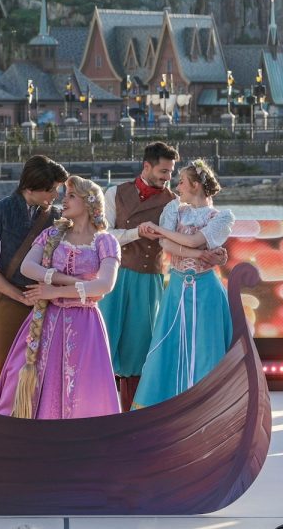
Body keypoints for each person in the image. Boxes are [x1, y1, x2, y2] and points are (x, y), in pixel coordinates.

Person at [0, 175, 121, 419]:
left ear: (89, 202)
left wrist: (55, 291)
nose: (64, 200)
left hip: (84, 323)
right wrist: (70, 281)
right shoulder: (52, 234)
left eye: (71, 195)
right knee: (28, 377)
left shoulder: (105, 241)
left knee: (81, 384)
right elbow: (28, 267)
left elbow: (105, 284)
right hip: (46, 320)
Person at [133, 160, 235, 408]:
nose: (177, 186)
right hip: (178, 286)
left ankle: (207, 406)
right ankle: (165, 404)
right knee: (168, 345)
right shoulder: (173, 210)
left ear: (196, 185)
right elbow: (167, 246)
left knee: (206, 348)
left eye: (181, 182)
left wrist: (161, 231)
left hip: (207, 289)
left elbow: (194, 240)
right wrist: (200, 255)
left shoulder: (221, 217)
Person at [0, 155, 68, 408]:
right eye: (51, 189)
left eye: (58, 189)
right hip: (10, 301)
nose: (56, 195)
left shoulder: (60, 218)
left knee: (49, 372)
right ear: (30, 187)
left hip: (51, 302)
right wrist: (17, 295)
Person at [98, 141, 179, 411]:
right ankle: (99, 410)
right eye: (164, 171)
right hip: (113, 275)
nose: (168, 178)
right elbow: (103, 235)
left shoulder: (173, 203)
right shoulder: (114, 193)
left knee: (139, 349)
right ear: (147, 166)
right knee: (103, 343)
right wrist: (136, 233)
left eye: (170, 173)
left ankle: (134, 413)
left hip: (148, 279)